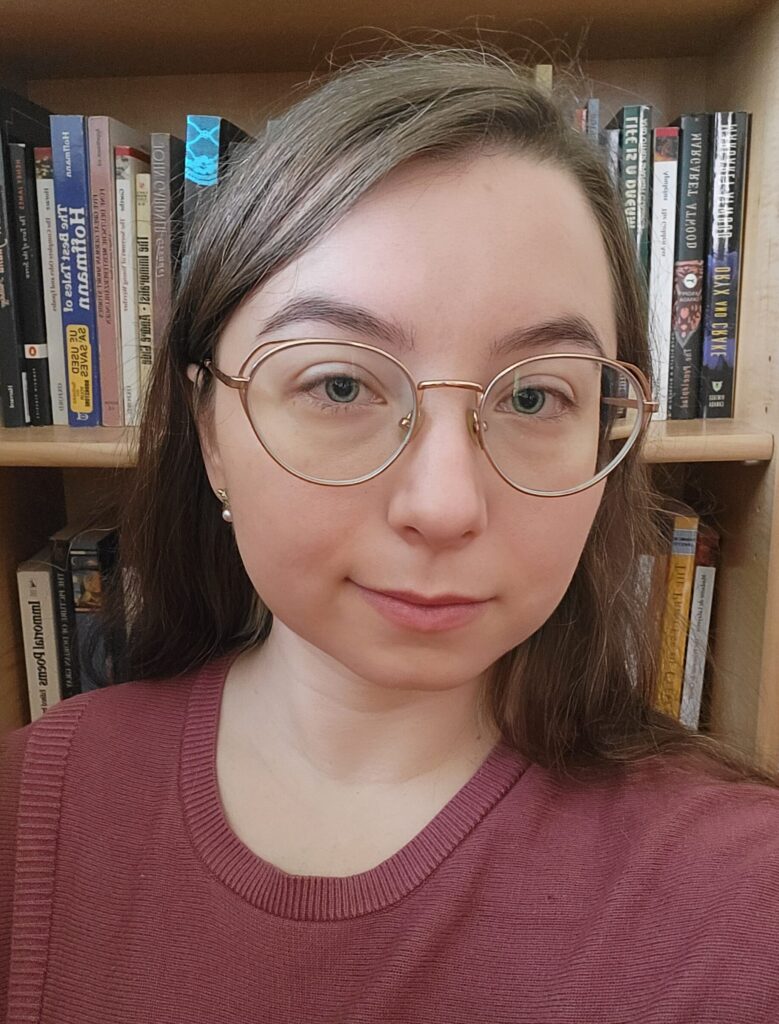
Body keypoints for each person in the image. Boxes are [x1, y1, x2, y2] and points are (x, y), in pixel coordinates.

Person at [2, 44, 778, 1024]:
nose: (444, 504)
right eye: (338, 385)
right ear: (209, 432)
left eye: (536, 394)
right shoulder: (36, 809)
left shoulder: (743, 905)